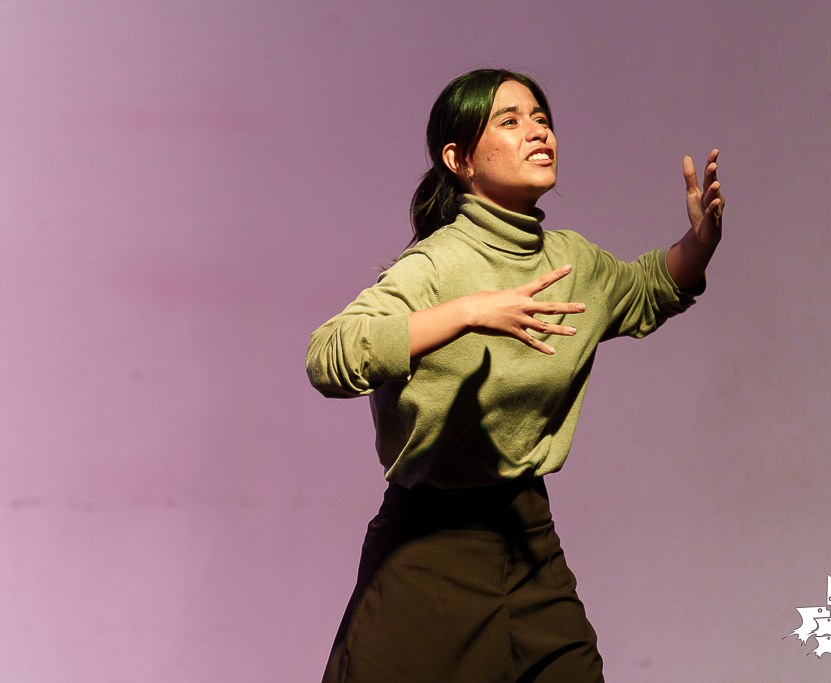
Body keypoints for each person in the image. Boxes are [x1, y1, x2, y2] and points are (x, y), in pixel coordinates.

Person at [307, 68, 724, 683]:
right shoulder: (435, 265)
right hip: (430, 551)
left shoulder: (571, 260)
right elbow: (330, 355)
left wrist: (701, 241)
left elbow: (648, 288)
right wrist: (468, 312)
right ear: (459, 159)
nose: (538, 133)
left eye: (542, 119)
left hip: (528, 543)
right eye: (509, 121)